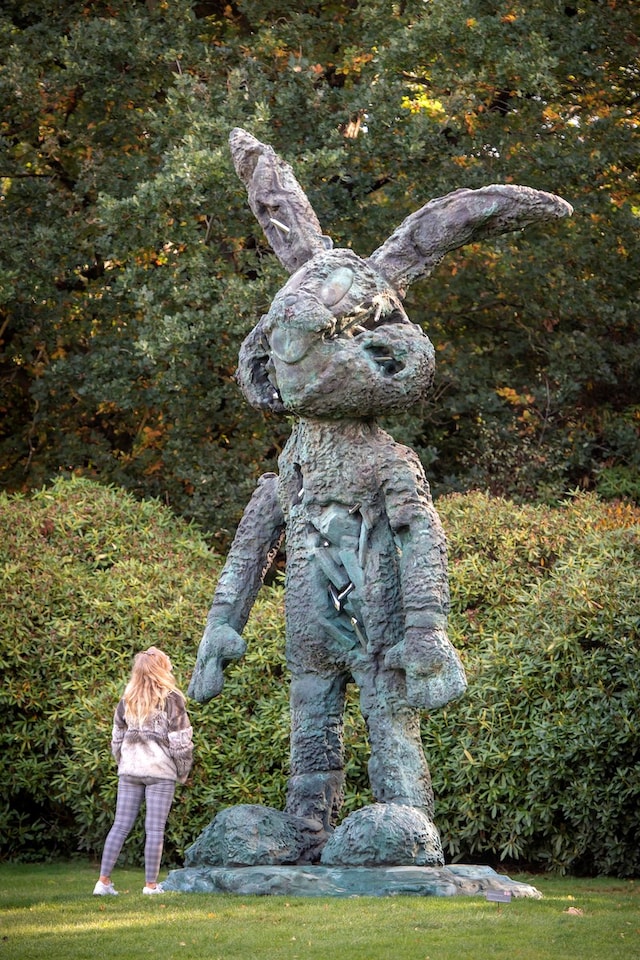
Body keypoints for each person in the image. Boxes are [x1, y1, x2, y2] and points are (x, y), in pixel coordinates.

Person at [93, 646, 193, 896]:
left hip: (130, 770)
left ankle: (103, 882)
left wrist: (122, 761)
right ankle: (150, 886)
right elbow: (181, 742)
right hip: (160, 772)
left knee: (120, 826)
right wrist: (182, 772)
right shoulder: (172, 698)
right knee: (155, 829)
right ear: (161, 669)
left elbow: (117, 737)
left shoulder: (128, 698)